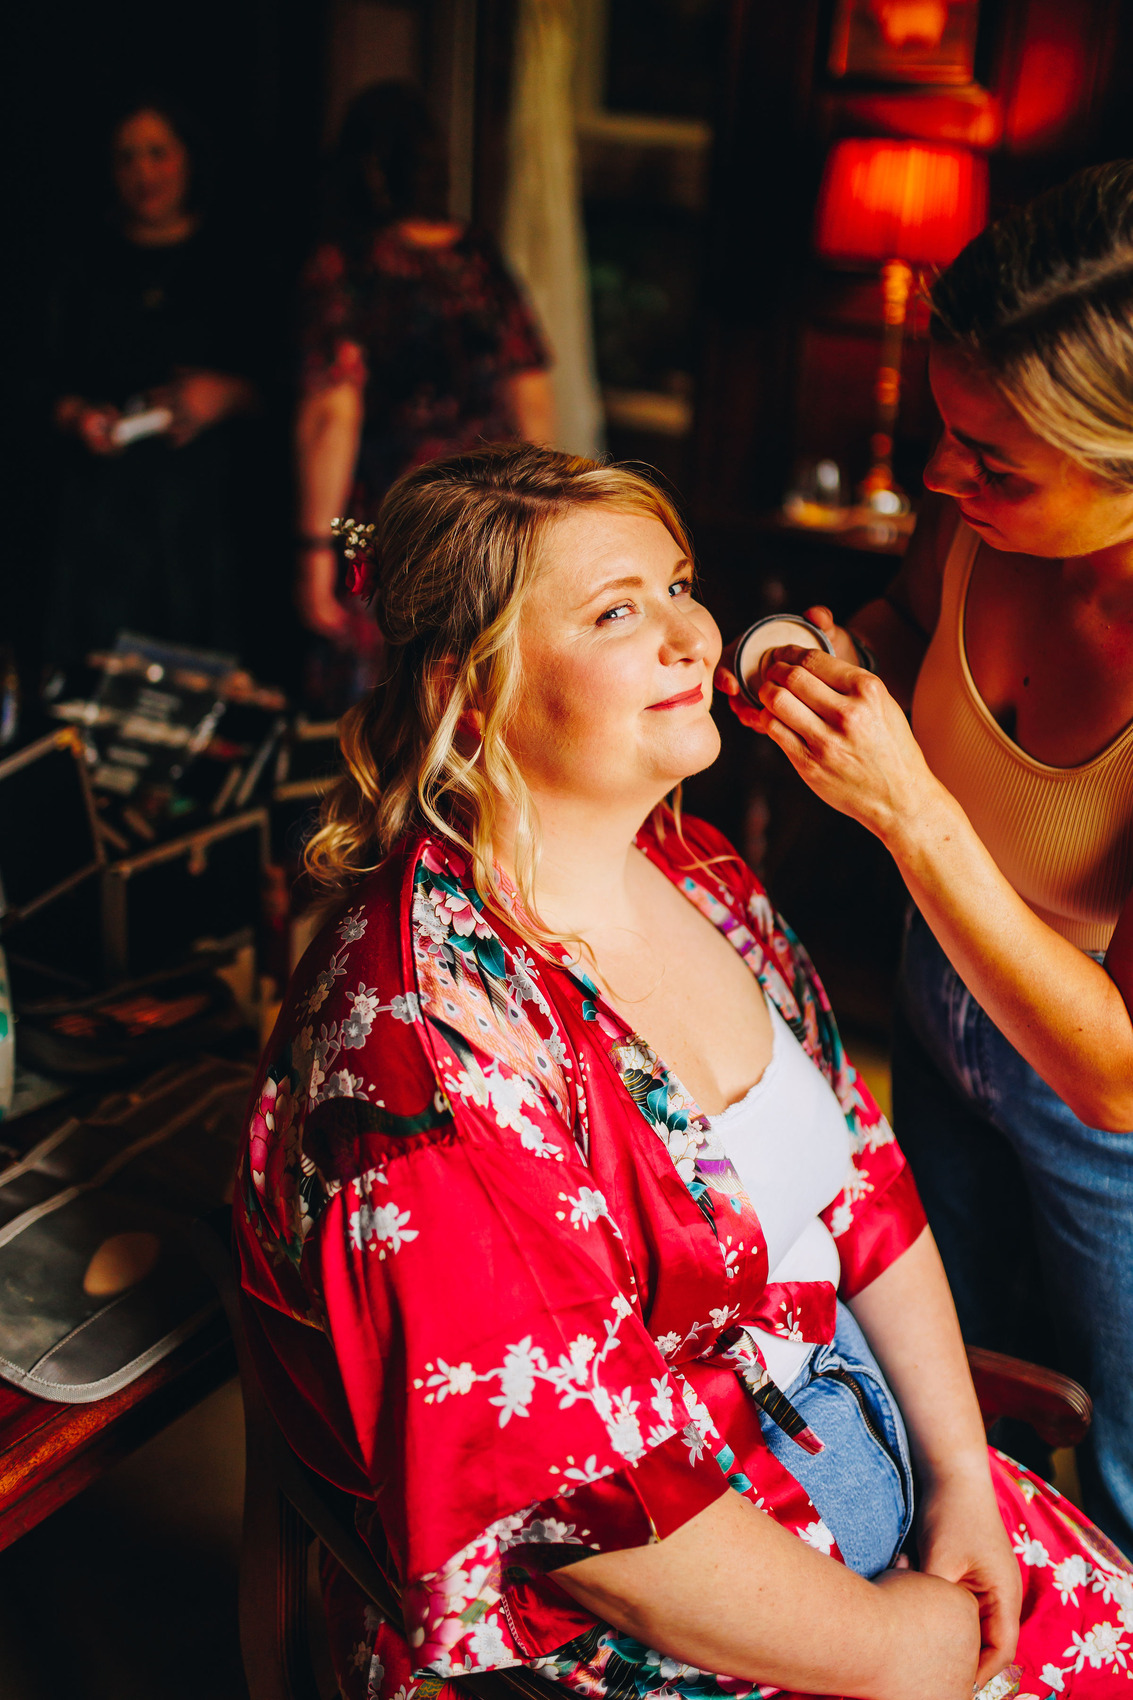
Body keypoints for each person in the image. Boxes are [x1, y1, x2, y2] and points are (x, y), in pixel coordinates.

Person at [234, 444, 1133, 1700]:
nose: (692, 636)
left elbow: (862, 1186)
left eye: (677, 584)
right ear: (469, 690)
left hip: (887, 1489)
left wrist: (959, 1480)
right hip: (677, 1623)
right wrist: (899, 1649)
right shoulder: (428, 1047)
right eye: (616, 611)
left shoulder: (695, 863)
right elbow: (577, 1507)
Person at [717, 159, 1133, 1559]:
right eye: (947, 433)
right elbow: (905, 623)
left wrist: (910, 811)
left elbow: (1114, 1076)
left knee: (1123, 1463)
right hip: (936, 1001)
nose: (944, 477)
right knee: (951, 1381)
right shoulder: (972, 510)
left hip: (1091, 1077)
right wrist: (820, 660)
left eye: (994, 461)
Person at [293, 81, 553, 701]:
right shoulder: (479, 258)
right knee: (470, 692)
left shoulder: (346, 265)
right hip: (485, 515)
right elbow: (533, 397)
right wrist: (544, 518)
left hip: (386, 519)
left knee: (379, 699)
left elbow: (333, 413)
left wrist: (314, 549)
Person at [47, 98, 263, 666]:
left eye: (157, 153)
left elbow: (286, 382)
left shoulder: (234, 258)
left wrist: (226, 396)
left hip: (206, 517)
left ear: (188, 159)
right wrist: (76, 416)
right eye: (127, 157)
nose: (143, 172)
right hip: (104, 517)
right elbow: (40, 377)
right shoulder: (81, 261)